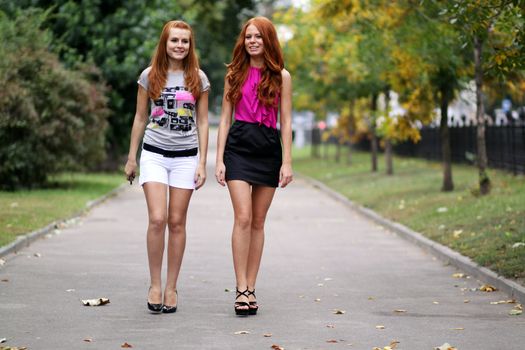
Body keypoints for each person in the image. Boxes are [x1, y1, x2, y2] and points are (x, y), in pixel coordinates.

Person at [124, 20, 209, 314]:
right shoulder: (150, 76)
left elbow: (203, 122)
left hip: (186, 157)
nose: (179, 46)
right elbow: (139, 117)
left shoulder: (198, 78)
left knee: (176, 222)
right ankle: (155, 284)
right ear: (165, 43)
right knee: (157, 218)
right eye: (174, 40)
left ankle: (172, 286)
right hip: (154, 154)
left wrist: (201, 162)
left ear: (190, 45)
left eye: (185, 41)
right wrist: (131, 157)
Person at [215, 16, 293, 316]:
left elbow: (286, 121)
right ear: (243, 40)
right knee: (243, 217)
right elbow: (224, 118)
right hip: (239, 146)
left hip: (268, 148)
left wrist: (287, 161)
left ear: (268, 40)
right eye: (248, 36)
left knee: (259, 222)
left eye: (258, 36)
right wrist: (219, 159)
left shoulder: (282, 76)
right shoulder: (234, 73)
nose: (252, 41)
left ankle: (252, 287)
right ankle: (240, 288)